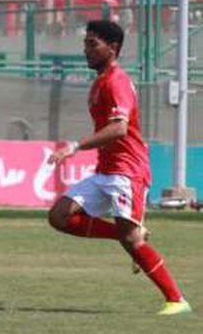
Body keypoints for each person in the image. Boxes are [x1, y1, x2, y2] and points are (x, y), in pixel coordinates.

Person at [47, 20, 191, 316]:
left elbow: (119, 129)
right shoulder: (101, 80)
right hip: (106, 170)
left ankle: (177, 300)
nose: (86, 50)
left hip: (127, 171)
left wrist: (74, 147)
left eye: (92, 44)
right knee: (60, 216)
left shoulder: (117, 81)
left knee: (132, 240)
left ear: (112, 48)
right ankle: (128, 234)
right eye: (85, 43)